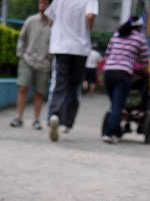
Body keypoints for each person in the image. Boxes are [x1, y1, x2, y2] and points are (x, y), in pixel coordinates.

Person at [44, 0, 99, 142]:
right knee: (74, 85)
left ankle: (54, 114)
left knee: (60, 82)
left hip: (61, 46)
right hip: (80, 48)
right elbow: (90, 16)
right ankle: (66, 122)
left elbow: (49, 18)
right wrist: (88, 30)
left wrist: (57, 30)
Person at [102, 16, 150, 144]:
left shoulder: (117, 35)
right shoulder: (139, 39)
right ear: (139, 27)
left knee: (115, 105)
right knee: (118, 106)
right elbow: (145, 60)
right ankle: (109, 133)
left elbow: (107, 54)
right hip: (123, 74)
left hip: (108, 72)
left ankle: (116, 130)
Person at [10, 0, 52, 130]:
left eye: (45, 4)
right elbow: (22, 38)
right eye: (40, 3)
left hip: (44, 64)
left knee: (39, 92)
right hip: (27, 59)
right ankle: (18, 116)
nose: (42, 7)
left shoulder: (55, 25)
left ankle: (36, 119)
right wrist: (21, 55)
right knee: (23, 87)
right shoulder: (31, 21)